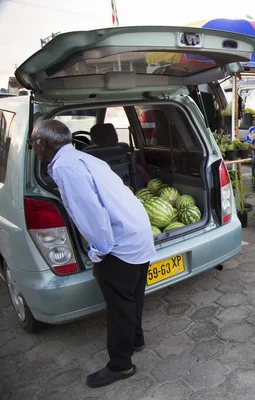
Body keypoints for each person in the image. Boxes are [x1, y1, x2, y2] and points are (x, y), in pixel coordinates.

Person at [29, 120, 157, 388]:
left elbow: (92, 217)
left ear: (43, 143)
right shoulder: (82, 157)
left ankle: (121, 365)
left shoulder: (65, 167)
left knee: (119, 304)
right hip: (139, 231)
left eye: (33, 142)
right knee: (134, 294)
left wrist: (99, 253)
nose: (33, 147)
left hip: (119, 241)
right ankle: (136, 338)